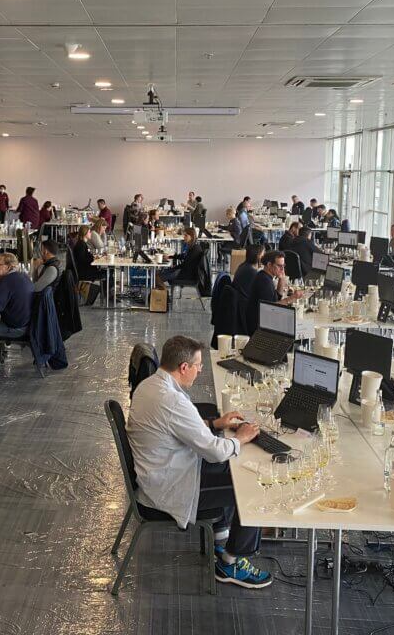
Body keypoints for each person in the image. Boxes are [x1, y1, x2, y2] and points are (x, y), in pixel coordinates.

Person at [127, 335, 271, 588]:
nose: (200, 370)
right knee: (254, 484)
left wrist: (215, 424)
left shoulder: (149, 385)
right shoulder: (172, 400)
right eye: (198, 365)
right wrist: (241, 438)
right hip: (170, 489)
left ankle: (221, 537)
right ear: (184, 367)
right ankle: (231, 562)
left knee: (231, 467)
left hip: (162, 473)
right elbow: (214, 452)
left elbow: (176, 425)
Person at [245, 250, 301, 334]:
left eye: (283, 266)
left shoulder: (265, 276)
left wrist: (281, 278)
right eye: (279, 266)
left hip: (265, 321)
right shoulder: (264, 281)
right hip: (259, 328)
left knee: (299, 326)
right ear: (269, 265)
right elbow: (272, 308)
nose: (282, 269)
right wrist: (292, 298)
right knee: (299, 328)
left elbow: (276, 298)